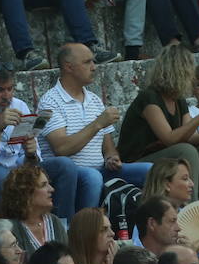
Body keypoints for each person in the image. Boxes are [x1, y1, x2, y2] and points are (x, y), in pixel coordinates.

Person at [0, 63, 91, 220]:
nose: (7, 96)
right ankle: (12, 231)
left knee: (65, 166)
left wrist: (31, 154)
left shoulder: (19, 105)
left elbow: (29, 159)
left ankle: (61, 227)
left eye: (10, 89)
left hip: (19, 169)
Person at [116, 43, 199, 203]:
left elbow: (190, 137)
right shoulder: (149, 98)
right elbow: (169, 138)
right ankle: (191, 209)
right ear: (179, 71)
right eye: (190, 69)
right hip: (134, 163)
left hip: (163, 159)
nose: (192, 75)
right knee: (186, 151)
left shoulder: (178, 100)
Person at [39, 43, 152, 195]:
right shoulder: (49, 102)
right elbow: (61, 149)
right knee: (92, 177)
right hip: (71, 176)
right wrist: (98, 124)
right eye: (87, 62)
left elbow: (108, 147)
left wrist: (111, 158)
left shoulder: (94, 100)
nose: (94, 67)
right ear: (68, 67)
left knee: (150, 170)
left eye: (93, 61)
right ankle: (85, 219)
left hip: (101, 170)